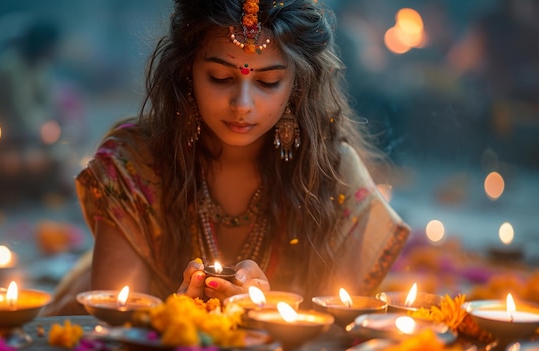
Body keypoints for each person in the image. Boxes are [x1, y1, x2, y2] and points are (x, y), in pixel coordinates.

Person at [44, 0, 410, 316]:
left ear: (297, 85)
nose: (242, 105)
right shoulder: (133, 164)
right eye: (220, 77)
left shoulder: (332, 174)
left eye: (268, 83)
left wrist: (267, 319)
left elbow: (337, 331)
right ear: (187, 73)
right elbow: (116, 320)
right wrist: (183, 313)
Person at [0, 19, 61, 143]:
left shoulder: (41, 69)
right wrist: (45, 126)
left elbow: (46, 104)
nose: (56, 52)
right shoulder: (10, 67)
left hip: (26, 134)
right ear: (42, 46)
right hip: (3, 137)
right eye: (53, 46)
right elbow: (20, 114)